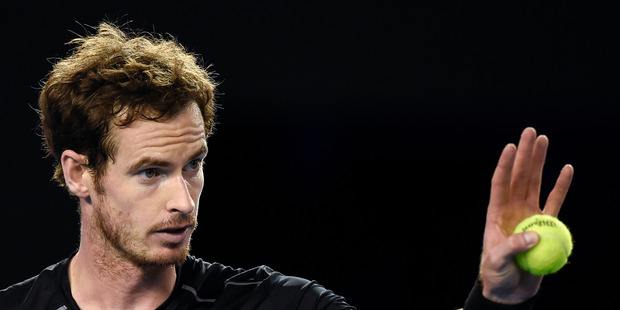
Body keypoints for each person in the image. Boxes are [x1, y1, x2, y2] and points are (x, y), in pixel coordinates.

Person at [0, 22, 573, 310]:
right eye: (151, 171)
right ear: (80, 174)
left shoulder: (276, 304)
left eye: (193, 165)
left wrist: (499, 302)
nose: (183, 199)